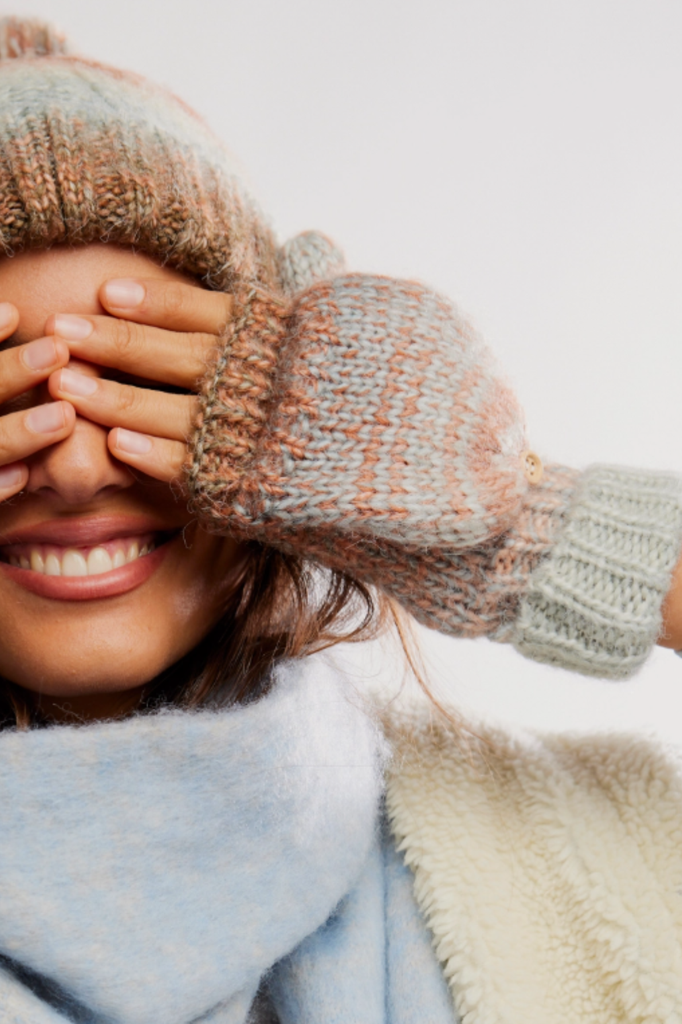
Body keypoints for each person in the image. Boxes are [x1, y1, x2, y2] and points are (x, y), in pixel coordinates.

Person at [0, 15, 681, 1024]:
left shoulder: (582, 857)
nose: (77, 463)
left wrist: (531, 529)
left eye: (139, 386)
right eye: (11, 400)